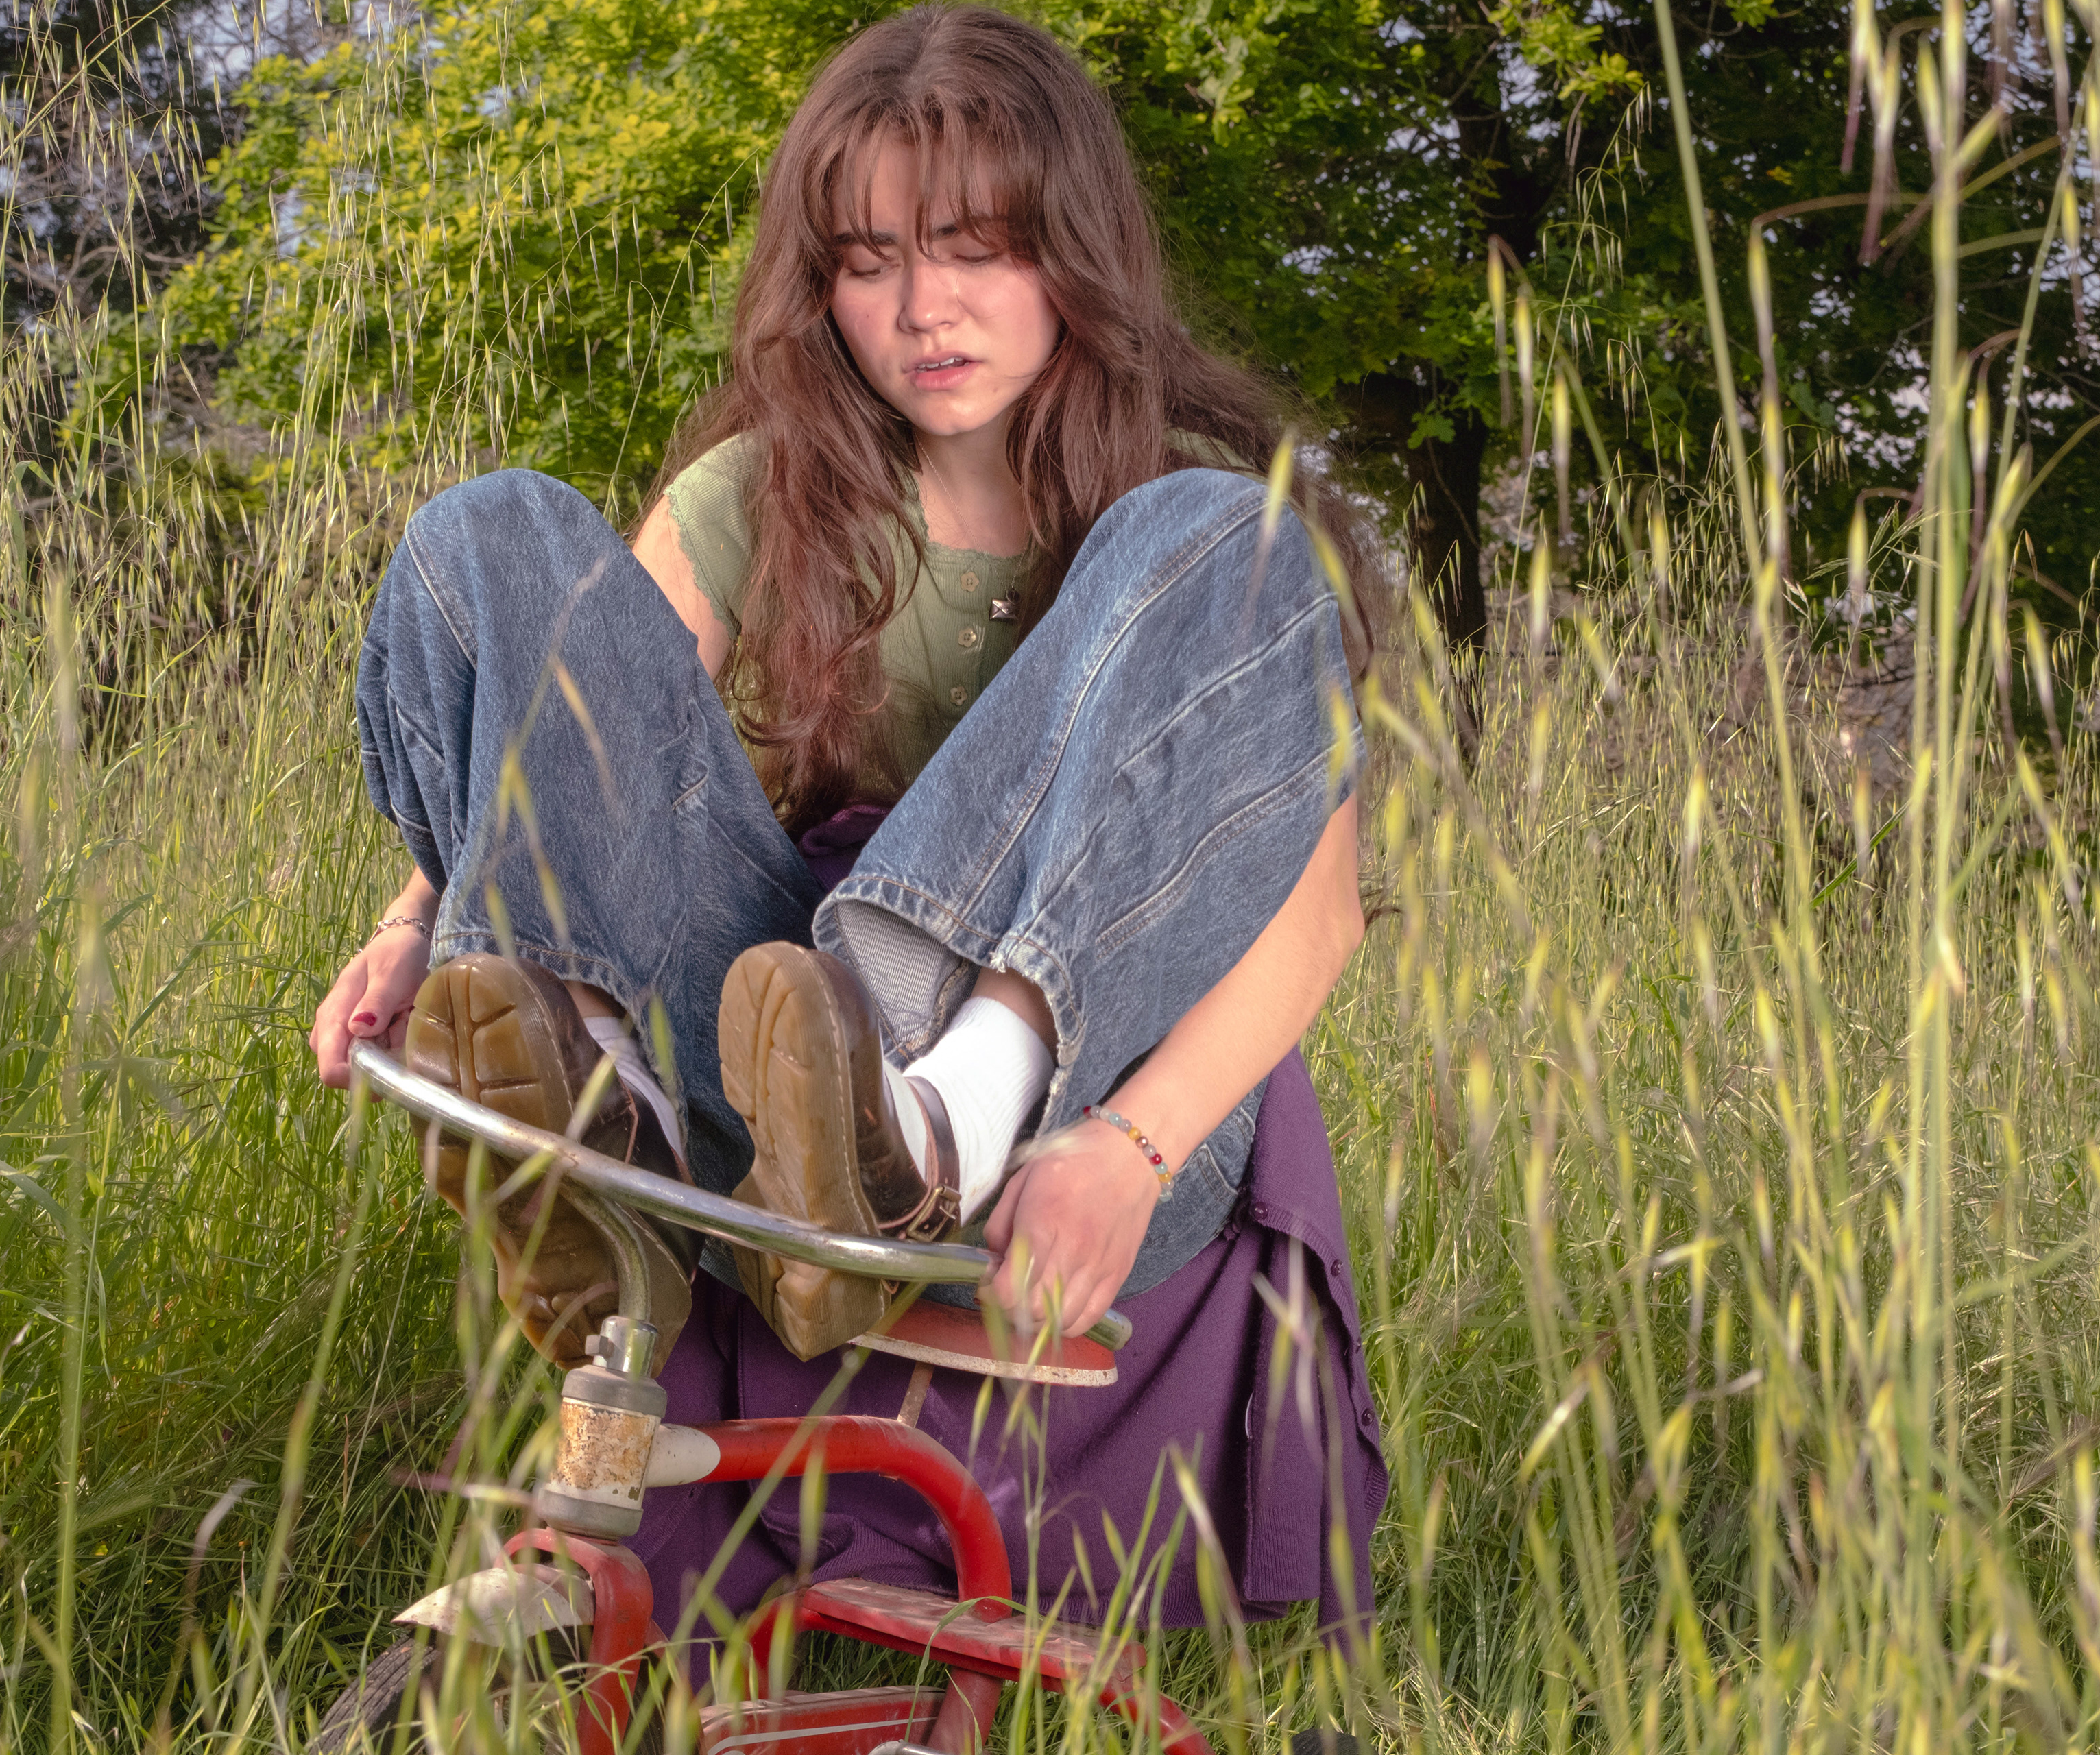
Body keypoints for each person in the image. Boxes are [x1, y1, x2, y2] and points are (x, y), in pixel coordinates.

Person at [311, 2, 1385, 1651]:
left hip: (1081, 1089)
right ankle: (602, 1109)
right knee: (487, 538)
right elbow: (564, 744)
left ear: (1072, 249)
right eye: (870, 260)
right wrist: (413, 920)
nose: (922, 308)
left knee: (1225, 528)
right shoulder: (764, 489)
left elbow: (1315, 916)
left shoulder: (1203, 550)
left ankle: (945, 1112)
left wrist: (1130, 1144)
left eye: (974, 248)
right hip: (786, 1064)